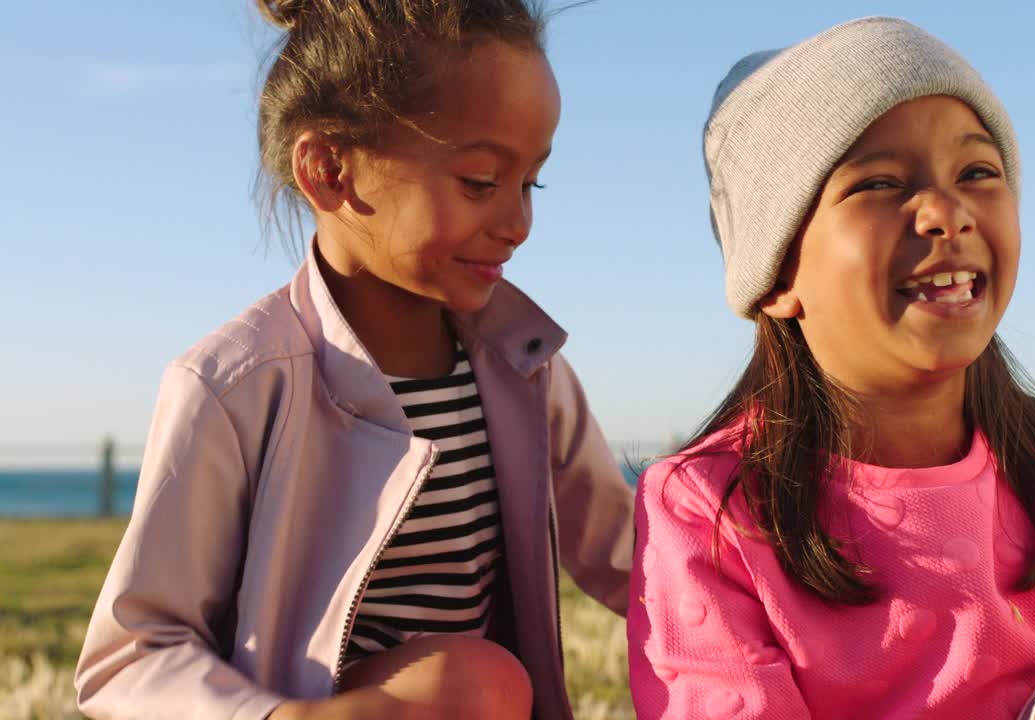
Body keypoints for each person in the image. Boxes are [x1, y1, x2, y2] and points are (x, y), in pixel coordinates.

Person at [627, 16, 1035, 720]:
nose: (945, 211)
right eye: (878, 183)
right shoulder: (708, 507)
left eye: (977, 172)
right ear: (777, 275)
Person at [74, 2, 634, 718]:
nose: (519, 223)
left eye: (532, 184)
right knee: (473, 682)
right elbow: (131, 655)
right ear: (330, 170)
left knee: (482, 684)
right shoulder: (235, 386)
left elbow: (632, 558)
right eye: (481, 182)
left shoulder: (524, 366)